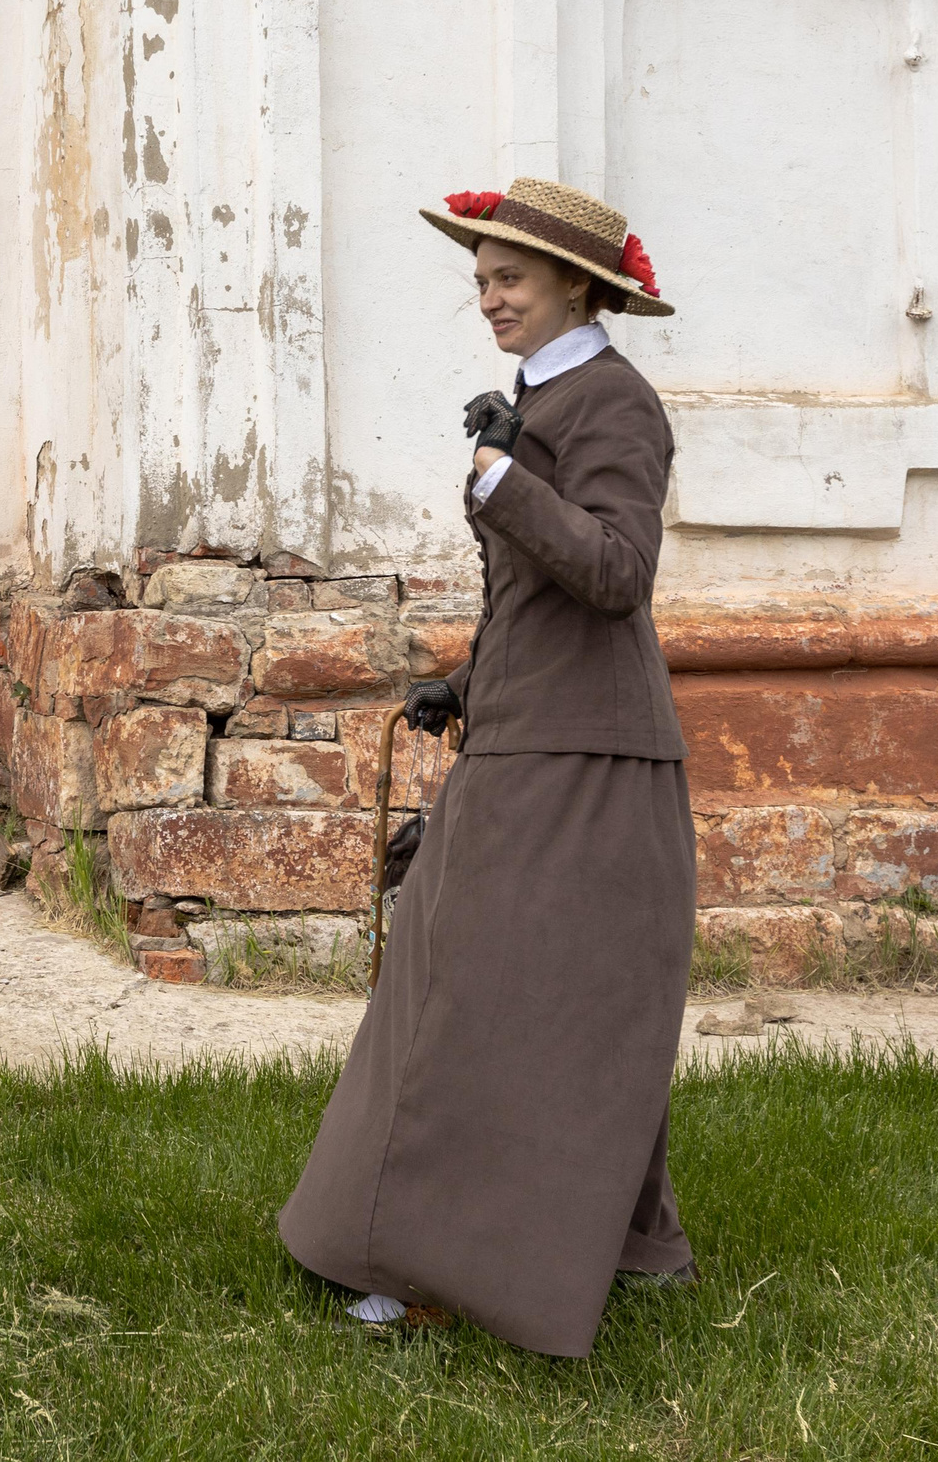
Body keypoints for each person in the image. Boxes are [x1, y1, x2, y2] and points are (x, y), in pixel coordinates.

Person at [277, 176, 695, 1358]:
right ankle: (629, 1243)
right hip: (530, 732)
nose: (489, 299)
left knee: (484, 997)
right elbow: (539, 600)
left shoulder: (613, 403)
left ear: (575, 285)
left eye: (509, 279)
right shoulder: (543, 396)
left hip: (583, 754)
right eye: (480, 281)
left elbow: (616, 575)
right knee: (536, 991)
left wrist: (505, 483)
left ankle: (431, 1266)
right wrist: (463, 685)